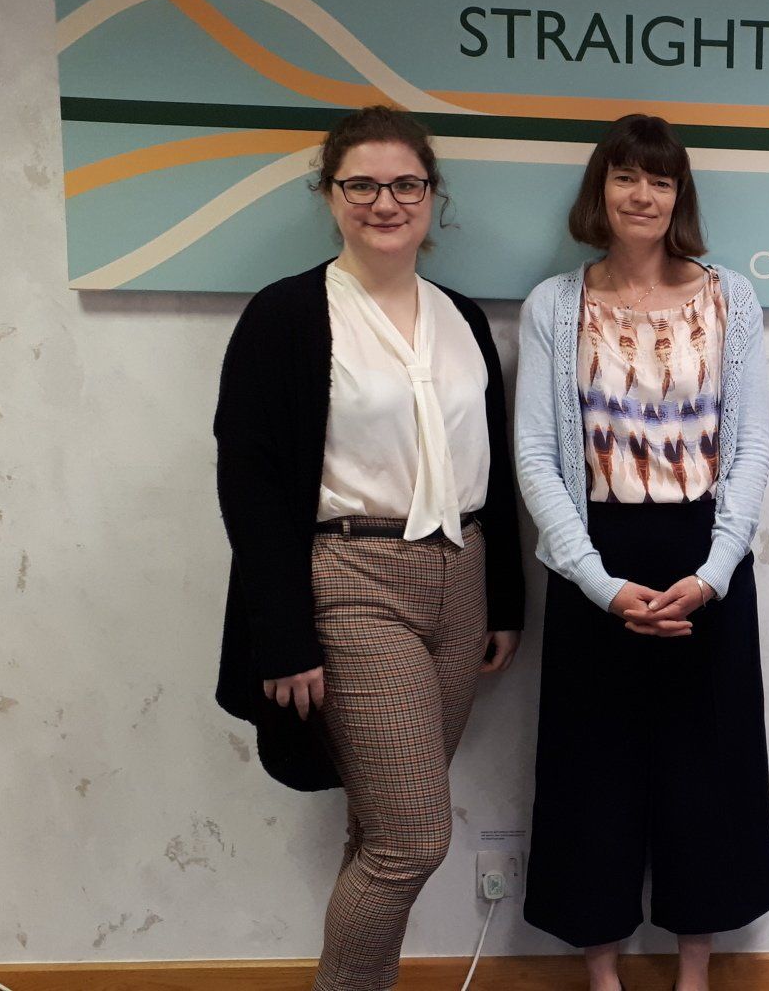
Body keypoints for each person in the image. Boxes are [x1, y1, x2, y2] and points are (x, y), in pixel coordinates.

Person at [212, 105, 526, 991]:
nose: (385, 203)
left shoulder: (461, 317)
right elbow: (251, 483)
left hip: (459, 579)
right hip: (350, 579)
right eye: (362, 184)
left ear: (432, 197)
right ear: (330, 194)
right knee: (414, 839)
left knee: (379, 827)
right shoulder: (287, 317)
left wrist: (503, 598)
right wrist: (282, 632)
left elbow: (488, 471)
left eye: (405, 185)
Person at [513, 114, 769, 991]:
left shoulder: (731, 298)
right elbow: (538, 458)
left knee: (706, 769)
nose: (642, 195)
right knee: (595, 770)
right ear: (601, 190)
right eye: (626, 177)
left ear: (679, 197)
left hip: (706, 557)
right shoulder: (555, 304)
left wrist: (715, 571)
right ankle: (603, 971)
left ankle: (695, 969)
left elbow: (750, 448)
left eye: (660, 181)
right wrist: (594, 581)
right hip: (596, 557)